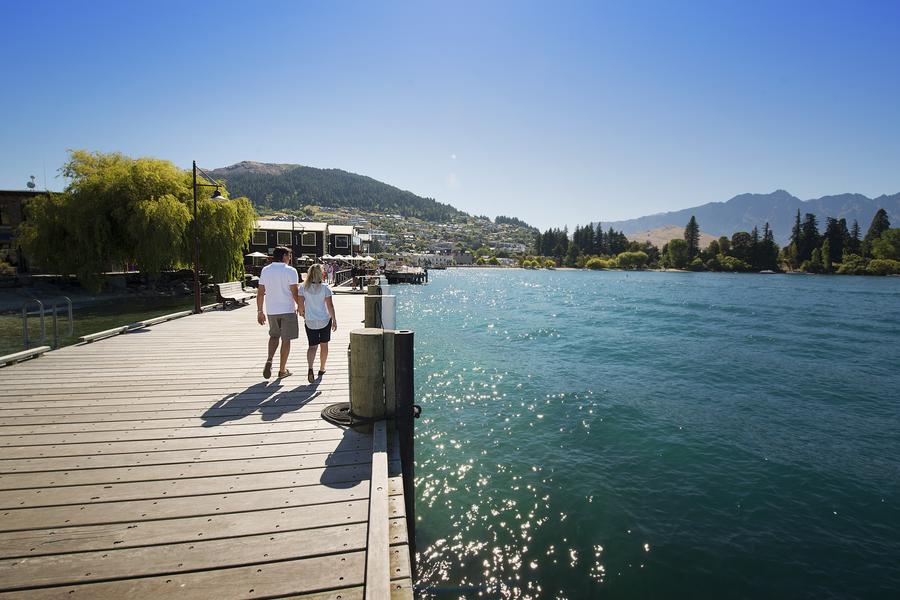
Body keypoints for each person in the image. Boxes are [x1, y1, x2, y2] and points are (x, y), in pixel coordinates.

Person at [256, 246, 301, 379]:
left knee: (274, 336)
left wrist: (260, 311)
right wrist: (301, 307)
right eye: (289, 256)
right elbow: (294, 292)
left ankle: (270, 359)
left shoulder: (265, 270)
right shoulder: (291, 271)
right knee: (286, 340)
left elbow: (260, 292)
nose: (290, 259)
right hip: (287, 310)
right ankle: (282, 370)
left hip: (272, 310)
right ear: (284, 257)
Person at [298, 263, 338, 383]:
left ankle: (310, 368)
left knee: (312, 346)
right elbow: (330, 306)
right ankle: (322, 368)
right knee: (324, 345)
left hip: (310, 320)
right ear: (321, 274)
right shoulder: (325, 288)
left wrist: (303, 314)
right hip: (324, 320)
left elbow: (300, 306)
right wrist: (334, 320)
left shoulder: (303, 287)